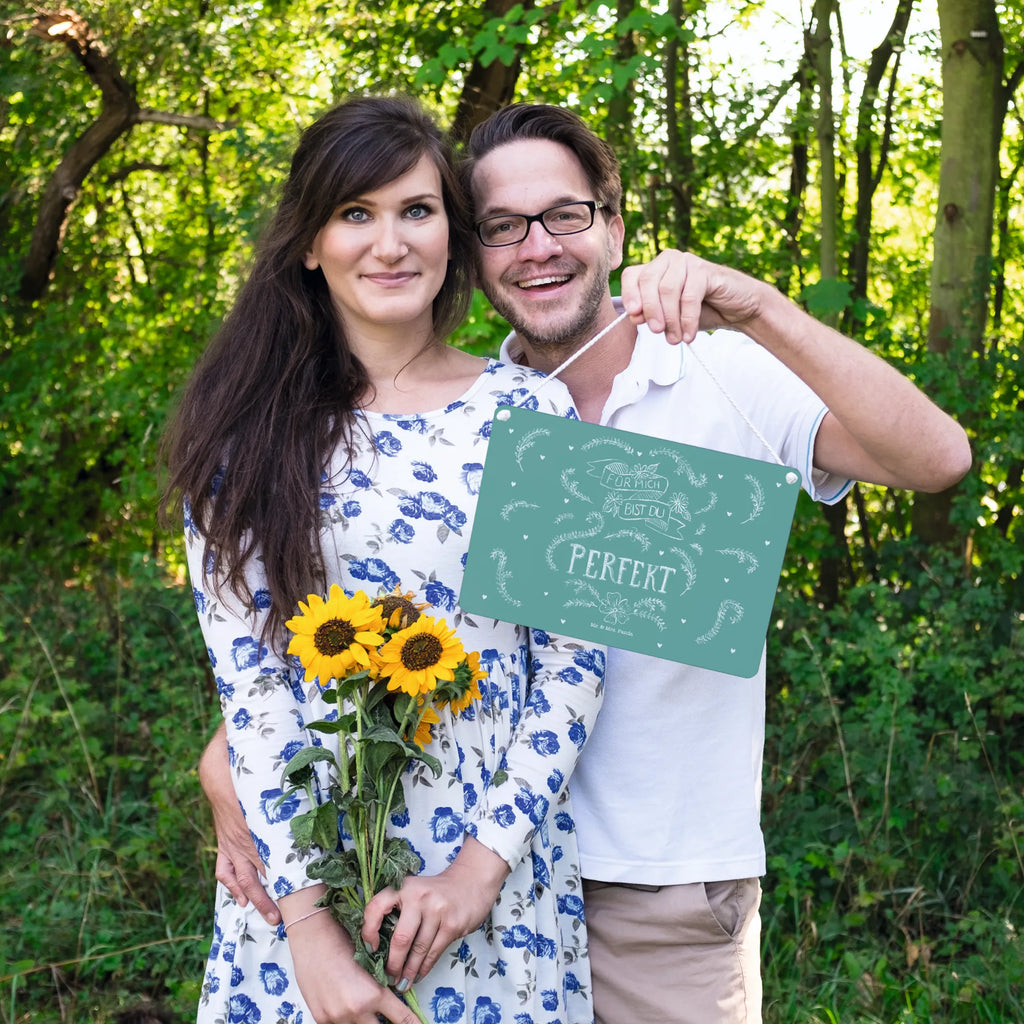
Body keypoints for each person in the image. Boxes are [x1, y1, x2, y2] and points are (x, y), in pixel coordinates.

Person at [202, 102, 972, 1024]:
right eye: (503, 226)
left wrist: (758, 305)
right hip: (416, 872)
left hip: (650, 887)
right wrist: (233, 758)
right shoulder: (467, 411)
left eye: (564, 215)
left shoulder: (706, 374)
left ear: (614, 227)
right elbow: (330, 630)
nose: (537, 247)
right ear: (474, 248)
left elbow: (938, 460)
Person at [163, 96, 610, 1024]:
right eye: (355, 213)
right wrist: (310, 935)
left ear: (453, 231)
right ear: (309, 242)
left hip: (491, 880)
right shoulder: (244, 438)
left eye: (417, 210)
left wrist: (477, 873)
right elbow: (253, 689)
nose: (391, 243)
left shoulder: (530, 413)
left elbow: (573, 663)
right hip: (304, 877)